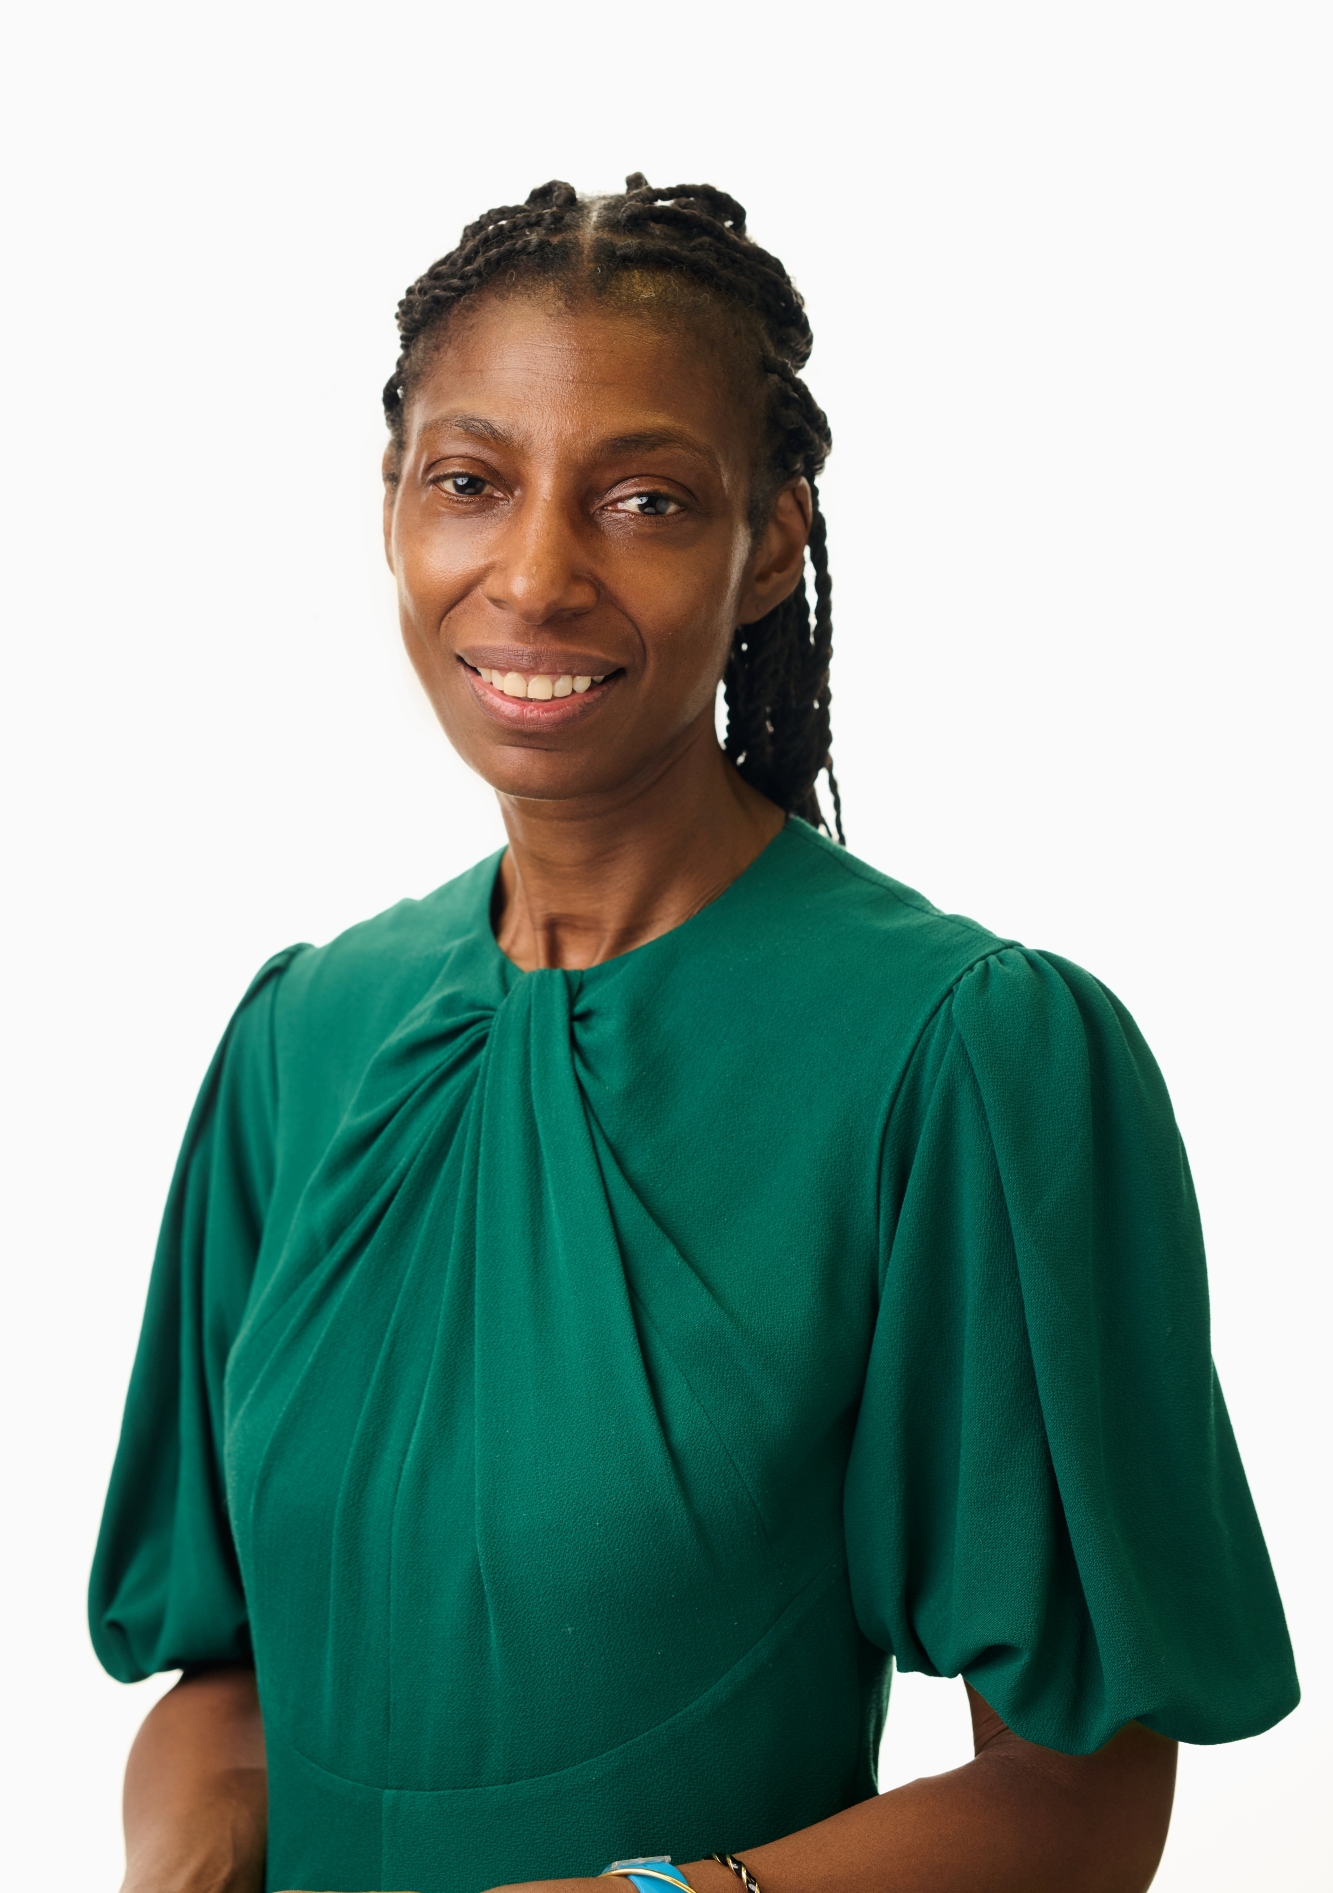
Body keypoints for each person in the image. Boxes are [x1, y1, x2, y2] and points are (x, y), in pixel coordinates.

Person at [91, 177, 1298, 1893]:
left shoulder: (961, 1057)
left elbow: (1081, 1796)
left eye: (643, 499)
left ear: (773, 539)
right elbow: (236, 1685)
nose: (533, 574)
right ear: (392, 510)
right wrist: (188, 1869)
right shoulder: (304, 1042)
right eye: (471, 483)